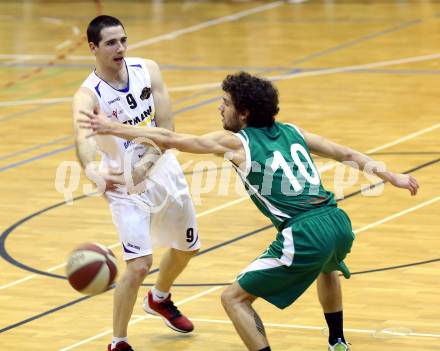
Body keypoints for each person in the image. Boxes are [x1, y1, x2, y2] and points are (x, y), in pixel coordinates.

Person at [79, 72, 419, 351]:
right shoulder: (293, 131)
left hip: (304, 232)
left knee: (233, 299)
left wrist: (115, 128)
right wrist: (393, 176)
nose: (219, 108)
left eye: (225, 103)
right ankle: (337, 341)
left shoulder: (237, 143)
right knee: (326, 268)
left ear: (243, 114)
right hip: (337, 221)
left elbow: (170, 138)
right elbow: (345, 153)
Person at [72, 15, 201, 351]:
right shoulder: (88, 95)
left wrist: (147, 163)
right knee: (139, 264)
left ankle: (159, 299)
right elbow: (83, 138)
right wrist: (91, 171)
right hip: (123, 186)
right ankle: (118, 341)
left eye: (123, 40)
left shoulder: (148, 70)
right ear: (93, 48)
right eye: (111, 43)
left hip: (163, 170)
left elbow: (167, 126)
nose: (121, 48)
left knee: (188, 248)